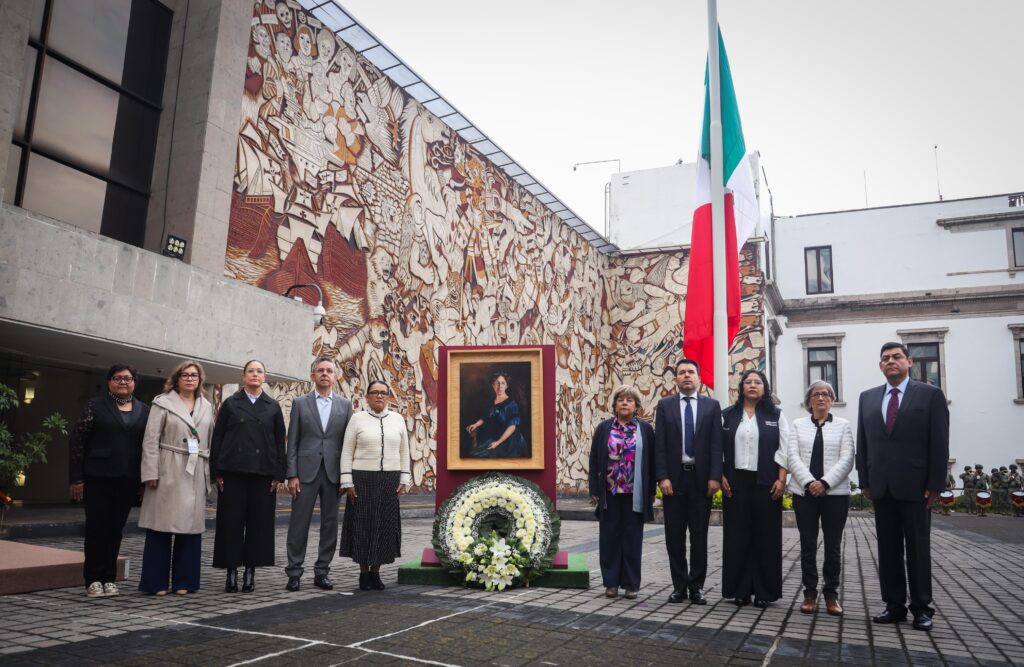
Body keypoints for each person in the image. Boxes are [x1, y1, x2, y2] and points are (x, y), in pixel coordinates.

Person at [856, 342, 949, 632]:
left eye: (897, 357)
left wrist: (936, 484)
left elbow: (939, 442)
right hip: (881, 486)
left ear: (909, 362)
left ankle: (921, 608)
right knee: (888, 549)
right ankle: (894, 605)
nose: (891, 362)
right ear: (880, 366)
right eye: (885, 359)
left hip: (916, 487)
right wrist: (865, 481)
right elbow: (864, 442)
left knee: (918, 549)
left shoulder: (930, 395)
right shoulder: (868, 398)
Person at [68, 364, 149, 597]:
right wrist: (76, 478)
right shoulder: (95, 405)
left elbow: (147, 447)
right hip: (97, 478)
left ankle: (109, 578)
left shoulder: (144, 410)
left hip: (128, 479)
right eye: (117, 378)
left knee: (116, 529)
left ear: (135, 382)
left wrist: (144, 482)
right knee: (96, 528)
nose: (123, 382)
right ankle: (93, 579)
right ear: (109, 382)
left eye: (128, 378)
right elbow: (77, 442)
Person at [138, 361, 215, 595]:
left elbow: (210, 440)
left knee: (190, 529)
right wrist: (150, 471)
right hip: (167, 468)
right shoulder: (162, 403)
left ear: (200, 380)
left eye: (194, 375)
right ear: (177, 378)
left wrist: (209, 473)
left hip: (195, 470)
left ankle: (185, 581)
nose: (190, 378)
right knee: (160, 526)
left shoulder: (207, 406)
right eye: (185, 375)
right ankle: (155, 583)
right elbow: (150, 439)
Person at [210, 360, 286, 593]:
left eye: (259, 371)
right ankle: (231, 571)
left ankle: (250, 571)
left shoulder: (273, 406)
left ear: (265, 377)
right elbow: (218, 438)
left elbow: (278, 441)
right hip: (233, 472)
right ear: (243, 377)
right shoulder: (231, 403)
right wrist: (216, 471)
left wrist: (279, 474)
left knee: (258, 525)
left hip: (263, 474)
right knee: (230, 523)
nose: (255, 374)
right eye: (250, 371)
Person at [653, 358, 722, 605]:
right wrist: (662, 477)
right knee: (674, 536)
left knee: (699, 535)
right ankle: (679, 586)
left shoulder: (712, 406)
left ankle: (697, 586)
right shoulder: (665, 406)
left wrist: (715, 476)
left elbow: (716, 445)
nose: (686, 376)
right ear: (676, 380)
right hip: (674, 479)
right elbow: (659, 445)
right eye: (681, 373)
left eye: (690, 372)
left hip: (702, 480)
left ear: (698, 378)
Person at [721, 369, 790, 608]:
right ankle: (739, 590)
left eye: (757, 382)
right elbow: (717, 448)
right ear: (741, 387)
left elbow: (785, 449)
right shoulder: (728, 415)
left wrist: (781, 480)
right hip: (735, 484)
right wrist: (720, 475)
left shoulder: (776, 415)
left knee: (766, 538)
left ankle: (764, 591)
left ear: (764, 388)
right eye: (748, 382)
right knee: (736, 538)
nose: (752, 385)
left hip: (767, 484)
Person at [786, 380, 854, 616]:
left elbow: (847, 458)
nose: (822, 398)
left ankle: (831, 594)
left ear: (832, 400)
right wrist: (809, 483)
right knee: (808, 544)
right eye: (817, 394)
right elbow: (792, 456)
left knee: (833, 545)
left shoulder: (843, 425)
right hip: (804, 493)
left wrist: (825, 483)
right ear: (809, 400)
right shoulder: (798, 424)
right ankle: (810, 593)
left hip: (835, 494)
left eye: (827, 394)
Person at [284, 356, 352, 592]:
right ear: (313, 376)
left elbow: (347, 444)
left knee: (330, 524)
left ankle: (322, 571)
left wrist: (347, 477)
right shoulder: (300, 403)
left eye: (329, 371)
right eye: (320, 370)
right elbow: (291, 442)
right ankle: (294, 572)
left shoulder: (345, 405)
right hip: (305, 473)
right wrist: (292, 474)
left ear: (336, 376)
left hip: (333, 474)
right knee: (298, 524)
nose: (325, 374)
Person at [339, 380, 411, 591]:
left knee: (385, 525)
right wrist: (347, 480)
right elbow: (346, 451)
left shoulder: (397, 420)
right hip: (361, 479)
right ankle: (363, 573)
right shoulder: (357, 419)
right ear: (367, 397)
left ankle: (376, 571)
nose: (379, 396)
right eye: (374, 393)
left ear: (388, 397)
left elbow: (404, 451)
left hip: (390, 479)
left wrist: (404, 478)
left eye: (383, 393)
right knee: (362, 525)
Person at [588, 385, 656, 600]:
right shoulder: (604, 428)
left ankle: (631, 584)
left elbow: (652, 462)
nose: (625, 403)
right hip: (610, 492)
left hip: (635, 493)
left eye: (629, 400)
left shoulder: (645, 429)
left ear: (636, 406)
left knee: (632, 538)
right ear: (615, 404)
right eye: (621, 400)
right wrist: (594, 488)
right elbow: (594, 459)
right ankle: (610, 583)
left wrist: (651, 491)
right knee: (609, 538)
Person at [464, 371, 528, 458]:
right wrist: (475, 425)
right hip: (495, 436)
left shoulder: (511, 404)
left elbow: (512, 427)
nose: (500, 386)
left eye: (503, 383)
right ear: (493, 385)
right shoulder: (491, 402)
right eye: (497, 383)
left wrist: (498, 442)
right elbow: (484, 417)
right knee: (475, 454)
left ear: (506, 386)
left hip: (509, 440)